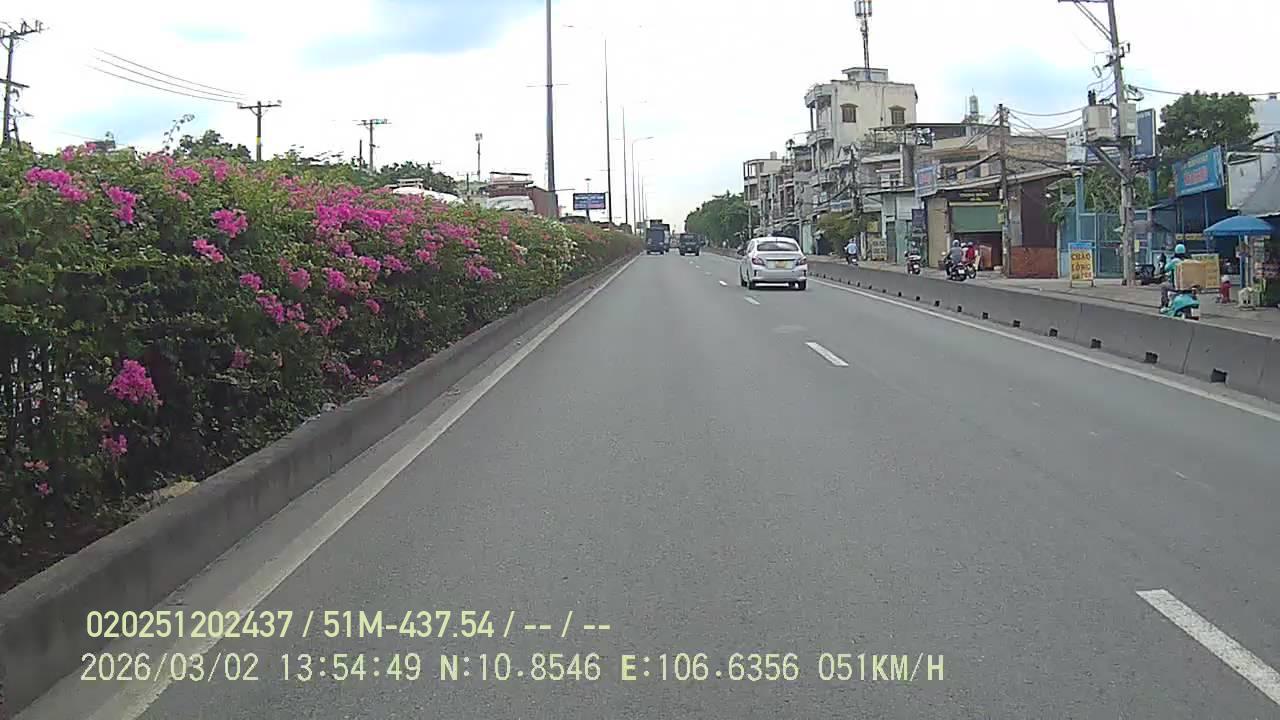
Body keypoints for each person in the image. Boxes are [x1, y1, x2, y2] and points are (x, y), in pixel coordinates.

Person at [1162, 244, 1190, 308]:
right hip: (1188, 286)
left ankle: (1165, 304)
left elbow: (1166, 268)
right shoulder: (1187, 261)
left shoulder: (1175, 261)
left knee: (1163, 286)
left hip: (1177, 286)